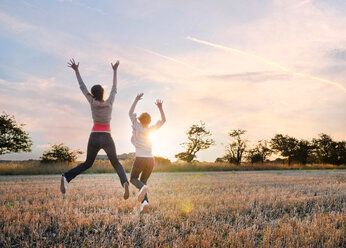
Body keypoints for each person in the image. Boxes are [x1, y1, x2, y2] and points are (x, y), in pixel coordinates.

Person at [60, 58, 130, 200]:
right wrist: (115, 70)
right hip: (106, 136)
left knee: (87, 163)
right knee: (116, 162)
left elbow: (82, 86)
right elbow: (115, 87)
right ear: (103, 93)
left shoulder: (92, 101)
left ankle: (66, 177)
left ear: (93, 94)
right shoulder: (110, 102)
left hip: (94, 136)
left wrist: (76, 70)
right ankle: (124, 184)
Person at [129, 93, 166, 213]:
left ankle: (142, 189)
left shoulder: (137, 126)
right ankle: (145, 203)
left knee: (134, 178)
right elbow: (163, 120)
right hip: (151, 160)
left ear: (139, 119)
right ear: (149, 121)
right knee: (143, 181)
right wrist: (160, 108)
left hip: (140, 158)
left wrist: (136, 100)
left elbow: (130, 113)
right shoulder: (151, 129)